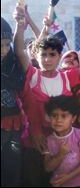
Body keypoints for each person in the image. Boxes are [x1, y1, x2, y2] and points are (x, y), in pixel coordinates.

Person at [13, 4, 80, 186]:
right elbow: (18, 51)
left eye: (52, 55)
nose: (47, 59)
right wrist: (19, 24)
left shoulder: (67, 77)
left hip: (63, 148)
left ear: (59, 56)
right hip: (34, 144)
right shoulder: (32, 75)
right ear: (37, 57)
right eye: (43, 55)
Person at [44, 95, 80, 187]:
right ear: (49, 117)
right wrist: (61, 154)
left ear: (73, 118)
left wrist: (68, 177)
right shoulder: (48, 140)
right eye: (54, 115)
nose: (58, 120)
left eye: (64, 116)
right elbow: (48, 168)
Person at [1, 17, 25, 186]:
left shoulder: (14, 65)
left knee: (11, 168)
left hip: (12, 125)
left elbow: (18, 83)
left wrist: (20, 24)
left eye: (6, 44)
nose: (3, 50)